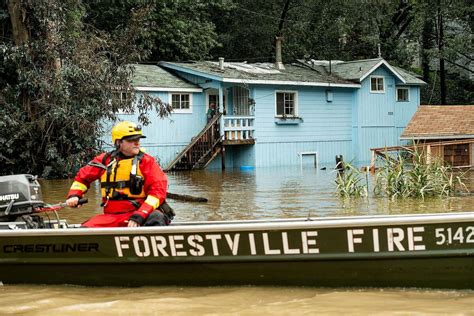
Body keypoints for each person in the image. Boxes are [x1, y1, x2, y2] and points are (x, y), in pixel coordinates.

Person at [65, 121, 173, 228]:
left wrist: (141, 214)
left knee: (157, 217)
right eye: (131, 140)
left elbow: (157, 193)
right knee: (86, 229)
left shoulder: (147, 162)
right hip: (112, 216)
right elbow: (82, 178)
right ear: (118, 142)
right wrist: (74, 195)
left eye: (138, 139)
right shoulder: (104, 160)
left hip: (139, 213)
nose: (137, 143)